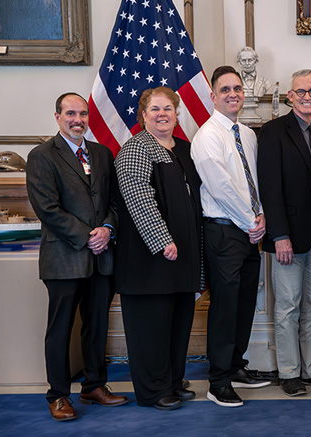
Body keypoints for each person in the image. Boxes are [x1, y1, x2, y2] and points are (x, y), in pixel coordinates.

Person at [26, 92, 128, 421]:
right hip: (64, 258)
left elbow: (115, 201)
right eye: (70, 113)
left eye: (82, 114)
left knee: (96, 325)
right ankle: (57, 395)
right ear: (57, 117)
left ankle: (93, 386)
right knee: (61, 329)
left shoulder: (101, 153)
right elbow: (48, 209)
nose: (77, 120)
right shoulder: (42, 156)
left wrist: (108, 229)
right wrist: (88, 236)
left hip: (102, 258)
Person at [114, 87, 203, 410]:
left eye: (168, 108)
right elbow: (139, 198)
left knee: (177, 325)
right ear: (143, 116)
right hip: (149, 261)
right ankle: (153, 391)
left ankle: (172, 382)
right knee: (150, 328)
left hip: (181, 259)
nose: (162, 114)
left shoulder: (183, 148)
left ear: (177, 114)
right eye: (155, 109)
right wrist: (163, 240)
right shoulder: (137, 148)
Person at [257, 69, 311, 396]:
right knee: (288, 306)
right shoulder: (273, 132)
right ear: (290, 96)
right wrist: (279, 235)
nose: (307, 97)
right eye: (300, 92)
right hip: (289, 235)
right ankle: (290, 372)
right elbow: (270, 188)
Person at [191, 66, 271, 408]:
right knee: (224, 306)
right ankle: (218, 380)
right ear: (213, 96)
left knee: (244, 303)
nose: (233, 94)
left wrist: (261, 216)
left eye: (237, 88)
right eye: (225, 89)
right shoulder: (207, 136)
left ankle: (236, 366)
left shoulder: (248, 135)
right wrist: (251, 221)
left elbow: (255, 180)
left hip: (251, 229)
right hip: (225, 230)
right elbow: (220, 187)